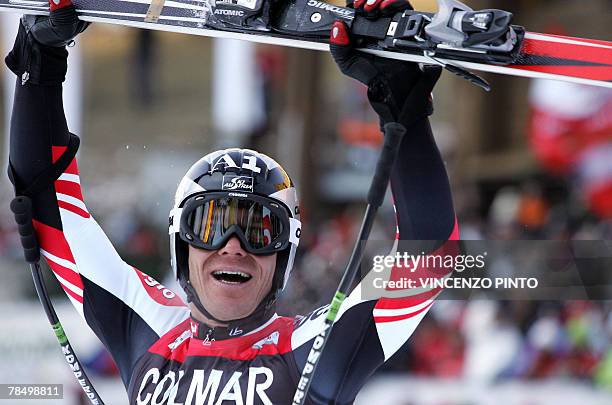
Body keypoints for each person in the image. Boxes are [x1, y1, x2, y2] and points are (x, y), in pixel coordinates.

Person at [6, 0, 459, 403]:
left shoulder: (312, 351)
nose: (233, 244)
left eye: (262, 230)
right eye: (209, 224)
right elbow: (49, 208)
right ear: (180, 243)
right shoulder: (147, 327)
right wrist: (39, 62)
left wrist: (401, 105)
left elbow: (430, 257)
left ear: (285, 254)